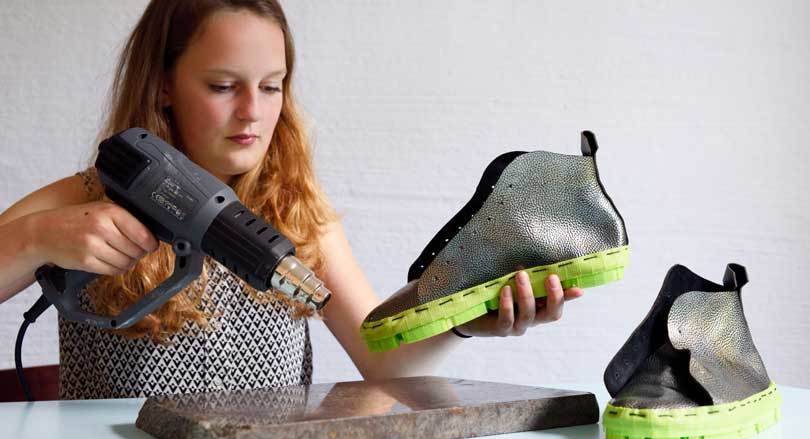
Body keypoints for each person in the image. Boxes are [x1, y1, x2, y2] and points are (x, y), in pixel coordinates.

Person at [0, 0, 583, 399]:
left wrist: (464, 319)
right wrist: (36, 239)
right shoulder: (86, 199)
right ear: (164, 86)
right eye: (223, 86)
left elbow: (382, 358)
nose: (252, 111)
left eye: (271, 86)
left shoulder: (296, 212)